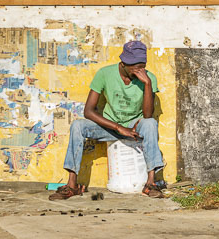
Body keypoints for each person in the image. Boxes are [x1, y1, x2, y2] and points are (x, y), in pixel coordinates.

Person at [49, 40, 165, 200]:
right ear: (124, 63)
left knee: (150, 124)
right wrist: (118, 128)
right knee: (77, 125)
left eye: (142, 66)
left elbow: (147, 115)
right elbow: (88, 111)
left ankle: (151, 183)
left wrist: (147, 84)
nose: (140, 70)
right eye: (135, 67)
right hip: (109, 126)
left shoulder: (149, 78)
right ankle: (72, 185)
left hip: (134, 128)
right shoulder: (105, 74)